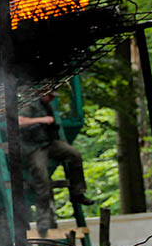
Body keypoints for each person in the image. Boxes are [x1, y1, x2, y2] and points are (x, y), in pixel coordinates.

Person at [19, 89, 95, 232]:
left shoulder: (47, 106)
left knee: (74, 154)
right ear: (43, 93)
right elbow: (19, 121)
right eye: (50, 96)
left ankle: (78, 192)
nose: (52, 99)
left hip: (49, 143)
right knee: (42, 180)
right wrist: (41, 120)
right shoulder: (30, 105)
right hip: (35, 147)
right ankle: (43, 220)